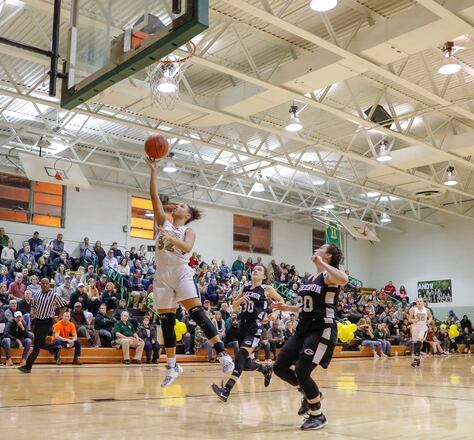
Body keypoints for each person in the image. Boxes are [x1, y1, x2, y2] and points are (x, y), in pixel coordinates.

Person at [146, 156, 233, 387]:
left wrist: (169, 237)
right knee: (166, 320)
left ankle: (223, 354)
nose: (177, 206)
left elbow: (187, 248)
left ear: (187, 215)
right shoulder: (163, 222)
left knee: (196, 313)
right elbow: (154, 196)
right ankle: (172, 366)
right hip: (162, 274)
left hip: (181, 272)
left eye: (182, 206)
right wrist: (154, 171)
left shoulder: (187, 230)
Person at [272, 244, 347, 431]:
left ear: (328, 255)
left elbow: (344, 279)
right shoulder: (310, 277)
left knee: (302, 370)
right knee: (279, 367)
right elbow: (306, 305)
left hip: (321, 328)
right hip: (303, 328)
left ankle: (317, 414)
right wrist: (288, 308)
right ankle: (311, 394)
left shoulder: (329, 275)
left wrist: (323, 264)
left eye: (321, 249)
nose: (316, 249)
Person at [211, 264, 279, 401]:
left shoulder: (267, 289)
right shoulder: (246, 288)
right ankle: (265, 369)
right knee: (246, 364)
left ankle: (226, 391)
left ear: (264, 276)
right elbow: (234, 307)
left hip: (256, 328)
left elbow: (281, 301)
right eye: (254, 269)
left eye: (259, 269)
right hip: (243, 327)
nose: (256, 270)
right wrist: (239, 300)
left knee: (240, 357)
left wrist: (276, 312)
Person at [18, 277, 67, 374]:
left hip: (47, 321)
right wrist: (32, 311)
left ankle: (28, 366)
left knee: (36, 346)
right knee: (39, 343)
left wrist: (59, 317)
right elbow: (33, 305)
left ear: (49, 284)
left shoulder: (53, 295)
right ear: (40, 284)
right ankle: (55, 349)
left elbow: (64, 305)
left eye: (47, 283)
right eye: (43, 283)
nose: (45, 285)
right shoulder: (36, 294)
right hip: (37, 321)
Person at [408, 297, 431, 368]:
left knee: (419, 342)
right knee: (415, 343)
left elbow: (430, 317)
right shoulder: (413, 310)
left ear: (423, 302)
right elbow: (409, 319)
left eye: (420, 301)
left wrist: (429, 321)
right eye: (418, 301)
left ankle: (415, 360)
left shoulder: (427, 310)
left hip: (423, 327)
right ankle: (418, 359)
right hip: (415, 327)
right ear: (416, 303)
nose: (419, 302)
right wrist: (414, 320)